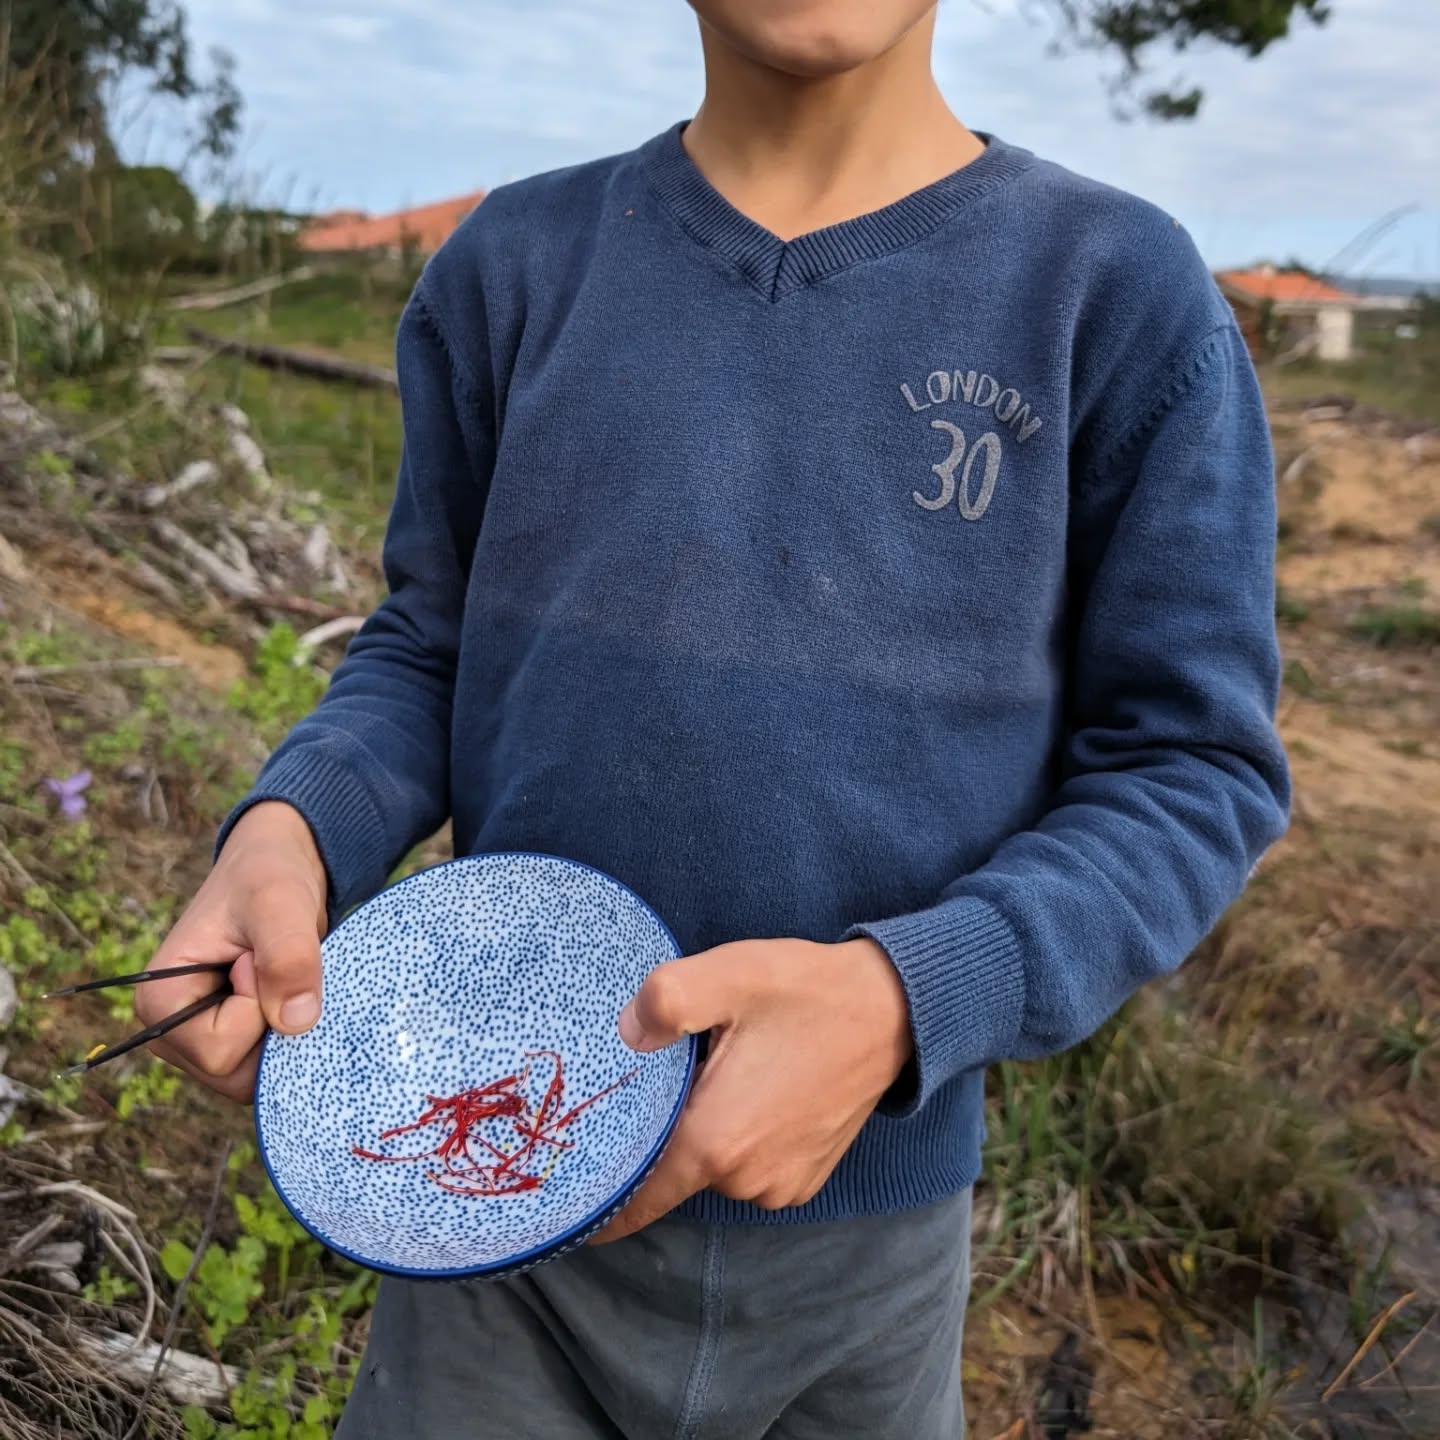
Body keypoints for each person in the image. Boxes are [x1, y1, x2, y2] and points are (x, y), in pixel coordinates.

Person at [136, 1, 1290, 1435]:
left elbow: (1190, 769)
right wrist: (292, 830)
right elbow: (432, 646)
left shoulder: (1114, 295)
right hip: (494, 1212)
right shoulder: (512, 268)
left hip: (866, 1263)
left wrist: (902, 998)